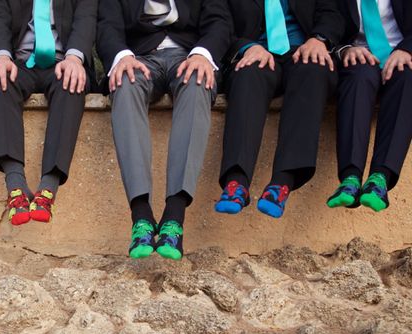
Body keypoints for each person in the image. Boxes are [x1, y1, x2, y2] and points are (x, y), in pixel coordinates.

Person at [96, 0, 231, 260]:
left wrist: (203, 54)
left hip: (190, 54)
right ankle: (141, 216)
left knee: (197, 82)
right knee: (124, 84)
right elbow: (107, 25)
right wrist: (121, 56)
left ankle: (174, 217)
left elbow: (219, 20)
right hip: (139, 57)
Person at [214, 0, 343, 218]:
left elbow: (332, 13)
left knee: (313, 70)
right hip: (255, 53)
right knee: (247, 75)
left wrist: (319, 39)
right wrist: (247, 47)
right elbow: (218, 23)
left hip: (303, 50)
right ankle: (236, 182)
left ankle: (281, 183)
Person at [0, 0, 98, 225]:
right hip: (19, 61)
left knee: (72, 84)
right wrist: (1, 57)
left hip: (63, 60)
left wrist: (75, 58)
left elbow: (86, 19)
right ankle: (15, 185)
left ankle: (47, 189)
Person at [327, 0, 411, 212]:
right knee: (358, 76)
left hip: (401, 52)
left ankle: (380, 178)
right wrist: (345, 50)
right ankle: (350, 178)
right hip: (359, 56)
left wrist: (407, 49)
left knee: (408, 76)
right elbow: (324, 23)